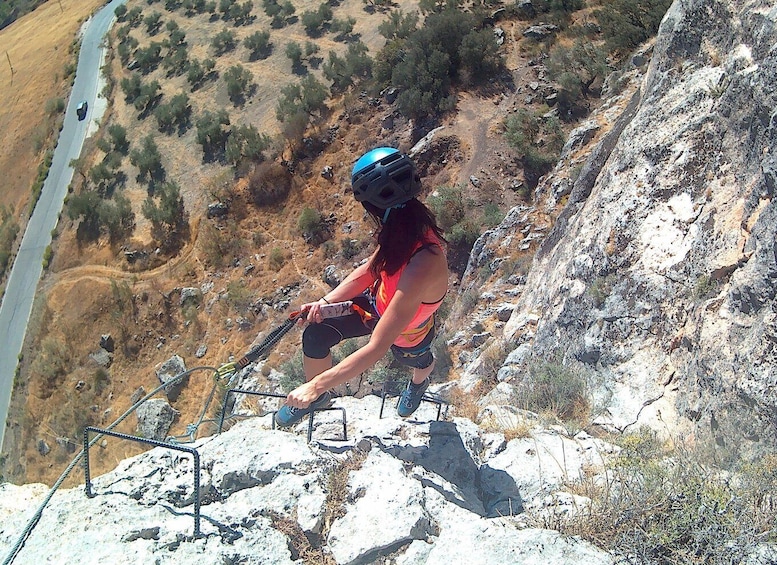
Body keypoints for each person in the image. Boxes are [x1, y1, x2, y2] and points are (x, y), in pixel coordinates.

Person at [275, 147, 449, 427]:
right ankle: (318, 402)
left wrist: (315, 384)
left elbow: (377, 347)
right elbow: (370, 270)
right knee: (316, 334)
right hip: (377, 305)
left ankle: (419, 383)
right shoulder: (403, 225)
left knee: (418, 361)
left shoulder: (423, 263)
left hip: (407, 330)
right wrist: (325, 301)